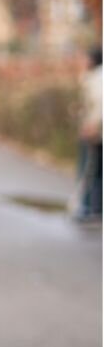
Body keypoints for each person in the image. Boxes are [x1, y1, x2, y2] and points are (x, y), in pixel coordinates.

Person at [76, 46, 103, 222]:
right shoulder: (93, 77)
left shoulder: (97, 79)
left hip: (96, 131)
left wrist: (92, 125)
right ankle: (95, 207)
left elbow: (100, 105)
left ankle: (89, 207)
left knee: (90, 168)